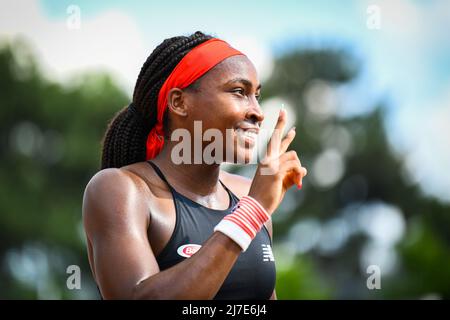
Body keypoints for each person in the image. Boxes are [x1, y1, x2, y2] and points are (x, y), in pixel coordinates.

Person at [82, 31, 307, 300]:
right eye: (239, 92)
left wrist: (255, 208)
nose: (257, 112)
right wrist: (250, 212)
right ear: (179, 102)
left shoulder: (248, 195)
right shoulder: (122, 190)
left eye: (257, 95)